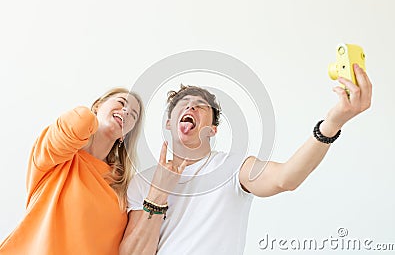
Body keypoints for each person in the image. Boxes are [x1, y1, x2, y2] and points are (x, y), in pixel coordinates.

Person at [119, 64, 372, 255]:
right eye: (182, 105)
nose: (190, 108)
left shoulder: (233, 168)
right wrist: (158, 194)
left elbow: (286, 179)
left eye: (200, 106)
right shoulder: (143, 181)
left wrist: (332, 124)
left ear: (213, 129)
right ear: (169, 122)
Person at [0, 87, 144, 255]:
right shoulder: (57, 157)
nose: (126, 111)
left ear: (124, 136)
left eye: (133, 115)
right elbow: (80, 120)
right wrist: (93, 119)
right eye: (121, 102)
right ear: (97, 105)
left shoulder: (123, 186)